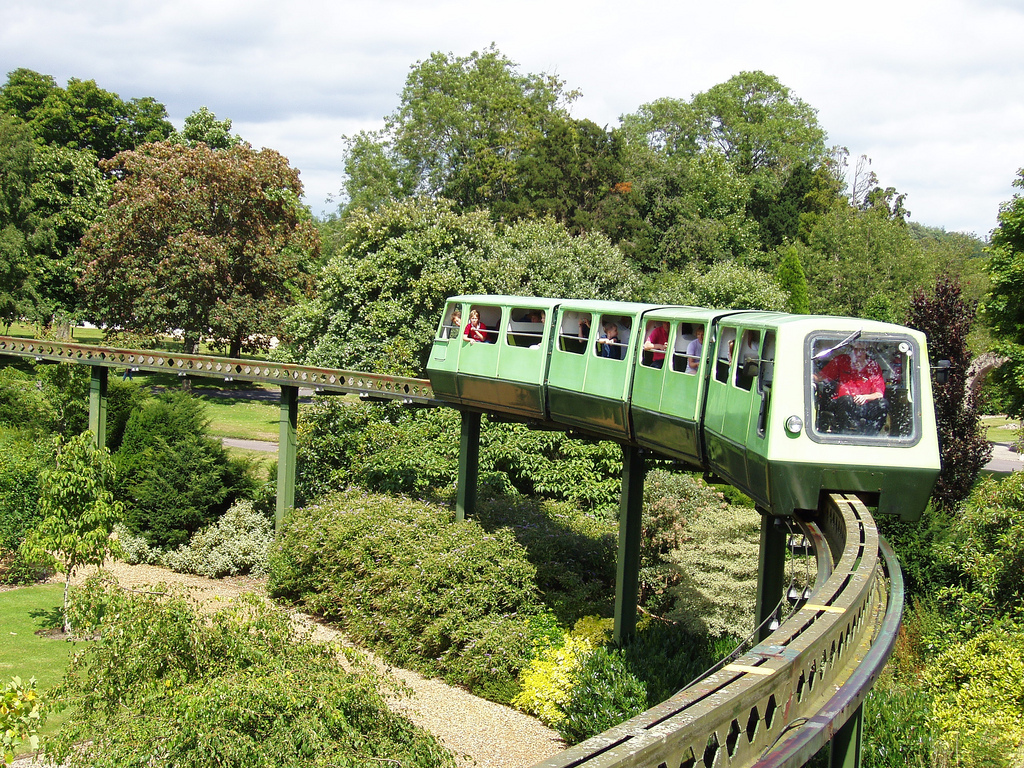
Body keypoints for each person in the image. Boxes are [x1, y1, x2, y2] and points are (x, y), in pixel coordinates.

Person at [813, 342, 887, 433]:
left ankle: (870, 436)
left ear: (867, 351)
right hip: (842, 404)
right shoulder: (841, 361)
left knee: (883, 404)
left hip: (864, 406)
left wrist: (865, 397)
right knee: (847, 400)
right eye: (856, 349)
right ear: (851, 350)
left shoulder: (873, 367)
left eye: (862, 350)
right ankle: (842, 434)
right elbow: (820, 377)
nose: (858, 353)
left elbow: (879, 394)